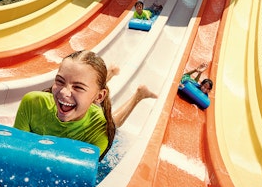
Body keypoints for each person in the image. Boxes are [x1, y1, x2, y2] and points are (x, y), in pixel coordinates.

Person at [13, 50, 156, 159]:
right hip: (85, 99)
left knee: (113, 123)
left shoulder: (99, 128)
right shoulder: (33, 102)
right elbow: (16, 152)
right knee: (84, 90)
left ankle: (139, 95)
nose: (64, 92)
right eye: (60, 81)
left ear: (100, 96)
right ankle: (107, 74)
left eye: (78, 87)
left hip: (93, 110)